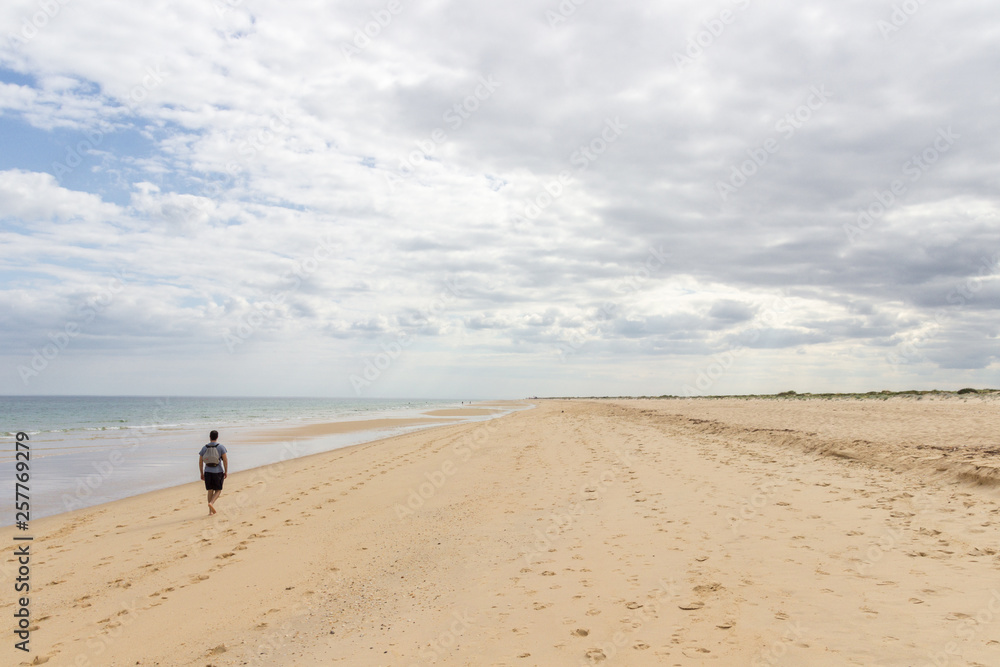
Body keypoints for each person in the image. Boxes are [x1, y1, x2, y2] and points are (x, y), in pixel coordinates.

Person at [199, 430, 228, 515]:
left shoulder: (204, 448)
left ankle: (210, 512)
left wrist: (201, 473)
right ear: (217, 437)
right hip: (218, 471)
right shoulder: (221, 447)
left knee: (210, 490)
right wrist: (226, 471)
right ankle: (211, 503)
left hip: (207, 472)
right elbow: (225, 460)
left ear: (210, 437)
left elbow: (200, 461)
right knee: (218, 490)